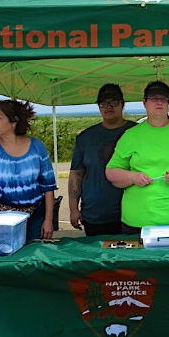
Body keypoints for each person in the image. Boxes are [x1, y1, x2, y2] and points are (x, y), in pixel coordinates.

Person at [106, 81, 169, 233]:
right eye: (154, 98)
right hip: (138, 221)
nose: (159, 102)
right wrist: (133, 177)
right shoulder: (131, 135)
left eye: (163, 99)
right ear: (144, 102)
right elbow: (111, 171)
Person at [0, 99, 57, 241]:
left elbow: (48, 187)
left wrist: (48, 220)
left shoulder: (37, 147)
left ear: (14, 122)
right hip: (4, 218)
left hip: (36, 215)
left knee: (34, 256)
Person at [69, 83, 137, 235]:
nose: (109, 107)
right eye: (103, 103)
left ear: (123, 104)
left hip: (132, 213)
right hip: (95, 214)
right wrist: (73, 209)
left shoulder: (137, 132)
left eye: (114, 102)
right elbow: (76, 174)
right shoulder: (85, 137)